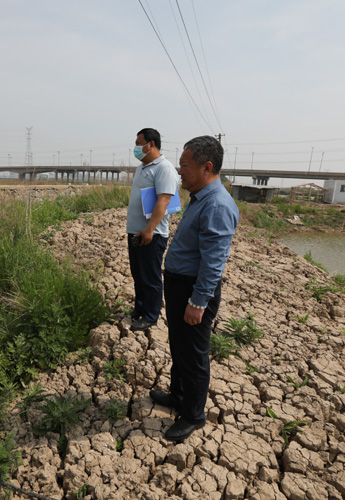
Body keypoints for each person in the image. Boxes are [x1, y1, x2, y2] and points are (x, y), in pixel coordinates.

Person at [150, 135, 239, 442]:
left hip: (193, 291)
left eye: (185, 165)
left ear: (207, 167)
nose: (179, 171)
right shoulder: (200, 197)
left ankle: (193, 415)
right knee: (180, 347)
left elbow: (214, 262)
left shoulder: (217, 205)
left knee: (194, 354)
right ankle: (178, 395)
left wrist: (198, 302)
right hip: (180, 286)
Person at [126, 128, 180, 331]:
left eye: (139, 144)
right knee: (138, 274)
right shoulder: (142, 168)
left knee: (150, 276)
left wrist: (150, 229)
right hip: (135, 231)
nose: (136, 148)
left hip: (151, 234)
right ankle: (140, 308)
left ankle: (151, 315)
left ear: (151, 145)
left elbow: (163, 201)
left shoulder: (164, 168)